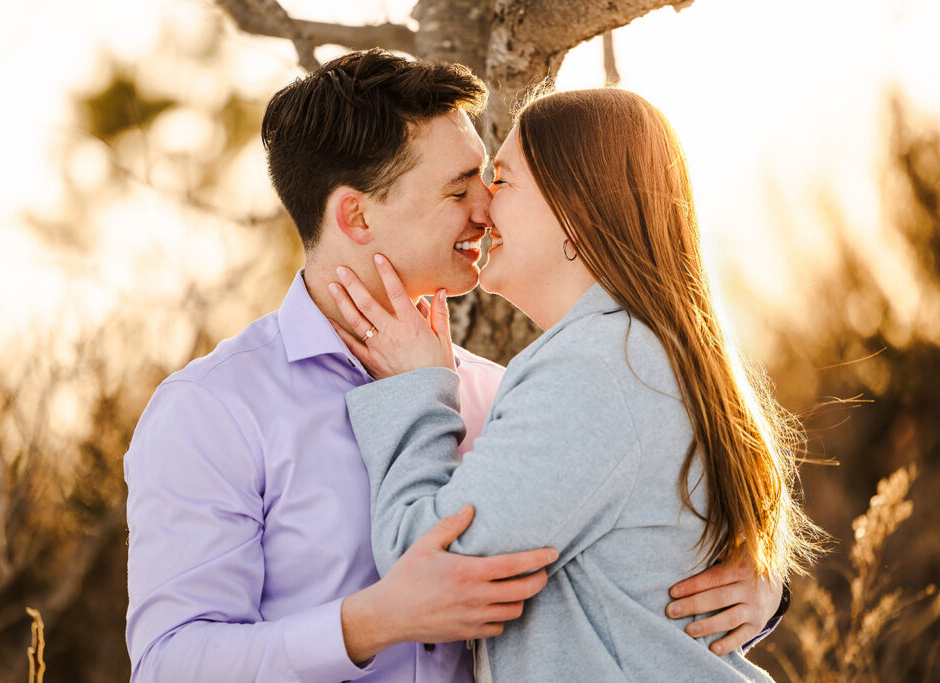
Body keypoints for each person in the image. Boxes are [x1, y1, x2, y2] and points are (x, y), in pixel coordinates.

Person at [124, 51, 787, 682]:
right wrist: (366, 624)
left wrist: (761, 586)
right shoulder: (216, 409)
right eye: (459, 188)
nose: (485, 208)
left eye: (492, 179)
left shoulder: (498, 391)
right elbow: (170, 663)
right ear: (355, 215)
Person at [330, 86, 819, 681]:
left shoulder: (597, 367)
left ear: (575, 215)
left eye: (503, 181)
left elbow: (429, 571)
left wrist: (418, 388)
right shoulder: (637, 352)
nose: (481, 207)